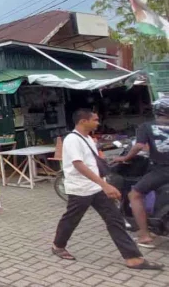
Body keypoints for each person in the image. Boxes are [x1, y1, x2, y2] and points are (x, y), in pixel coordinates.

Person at [52, 109, 161, 269]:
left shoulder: (88, 138)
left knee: (115, 219)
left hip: (96, 188)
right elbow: (78, 164)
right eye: (95, 120)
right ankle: (58, 245)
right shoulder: (72, 140)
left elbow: (92, 162)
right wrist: (105, 184)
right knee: (71, 219)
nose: (98, 123)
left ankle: (132, 257)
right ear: (83, 121)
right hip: (80, 189)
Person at [113, 98, 169, 248]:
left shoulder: (146, 126)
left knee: (135, 194)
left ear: (156, 111)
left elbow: (138, 146)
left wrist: (125, 157)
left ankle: (144, 235)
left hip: (162, 169)